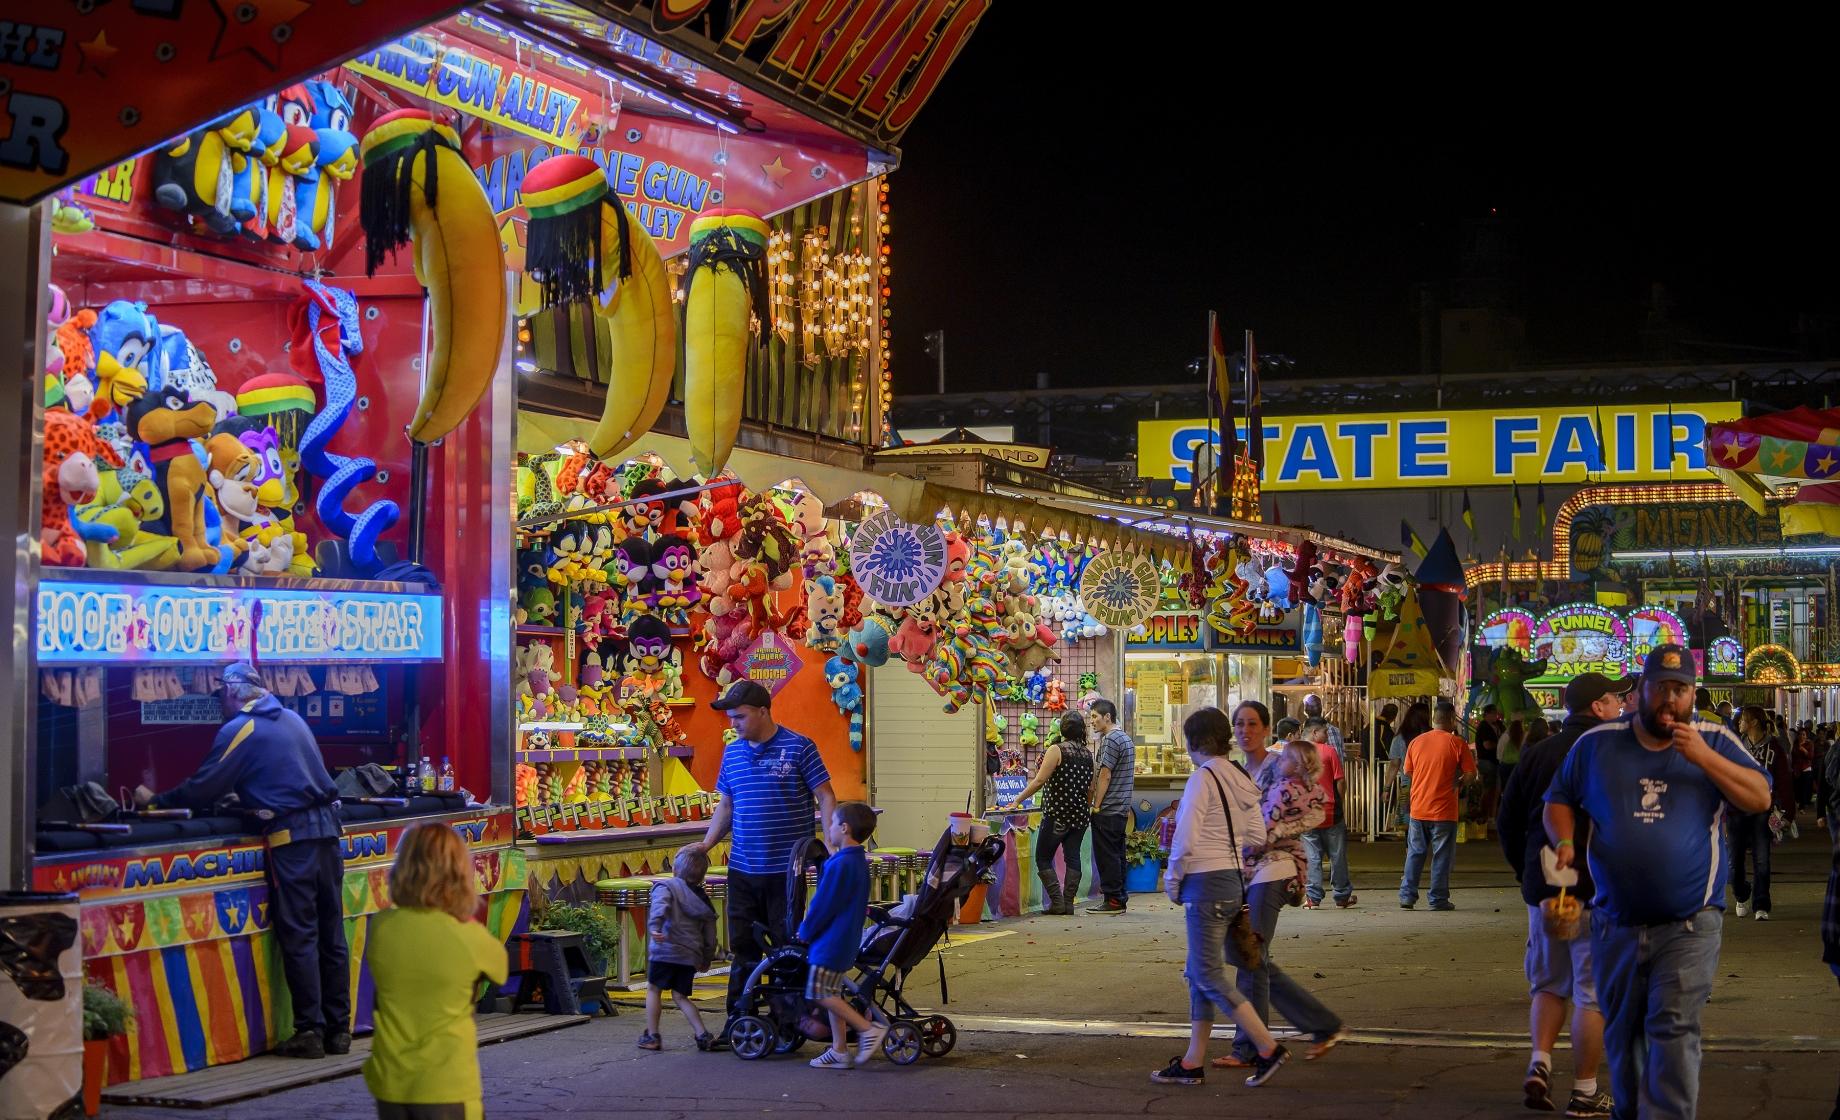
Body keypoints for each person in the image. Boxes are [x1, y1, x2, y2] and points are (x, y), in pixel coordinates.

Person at [1545, 644, 1771, 1120]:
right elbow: (1559, 798)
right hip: (1614, 923)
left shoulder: (1713, 738)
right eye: (1661, 688)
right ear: (1640, 691)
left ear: (1692, 693)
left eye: (1680, 689)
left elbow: (1759, 797)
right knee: (1624, 1037)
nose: (1670, 700)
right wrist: (1564, 840)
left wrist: (1704, 758)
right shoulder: (1598, 743)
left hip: (1690, 923)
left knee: (1672, 1029)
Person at [137, 661, 349, 1058]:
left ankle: (310, 1032)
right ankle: (340, 1030)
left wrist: (155, 802)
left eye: (220, 695)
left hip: (294, 840)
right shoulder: (293, 720)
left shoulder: (242, 729)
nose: (219, 703)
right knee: (330, 934)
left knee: (301, 934)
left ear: (233, 692)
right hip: (328, 835)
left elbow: (203, 787)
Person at [1498, 672, 1629, 1118]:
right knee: (1591, 993)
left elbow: (1508, 819)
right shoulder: (1614, 753)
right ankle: (1585, 1090)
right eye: (1615, 700)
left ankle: (1540, 1062)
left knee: (1549, 985)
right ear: (1597, 707)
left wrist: (1527, 874)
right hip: (1597, 890)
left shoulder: (1538, 753)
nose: (1621, 706)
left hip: (1547, 891)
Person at [692, 680, 837, 1049]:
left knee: (787, 949)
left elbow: (824, 795)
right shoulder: (733, 754)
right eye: (730, 718)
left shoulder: (799, 747)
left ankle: (788, 1021)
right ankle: (738, 1021)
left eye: (739, 717)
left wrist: (834, 846)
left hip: (784, 874)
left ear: (762, 711)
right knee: (744, 948)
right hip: (742, 870)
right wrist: (707, 845)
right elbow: (725, 806)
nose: (733, 725)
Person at [1151, 706, 1290, 1088]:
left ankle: (1267, 1047)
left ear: (1192, 741)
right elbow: (1257, 838)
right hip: (1232, 884)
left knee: (1208, 975)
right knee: (1199, 973)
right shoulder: (1241, 778)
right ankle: (1194, 1060)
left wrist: (1172, 879)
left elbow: (1185, 837)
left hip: (1204, 884)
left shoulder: (1201, 779)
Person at [1222, 707, 1346, 1067]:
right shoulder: (1238, 772)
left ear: (1265, 729)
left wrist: (1273, 835)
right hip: (1244, 872)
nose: (1245, 730)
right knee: (1248, 957)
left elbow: (1316, 809)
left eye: (1252, 724)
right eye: (1239, 724)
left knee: (1251, 957)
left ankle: (1252, 1047)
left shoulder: (1282, 765)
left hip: (1273, 870)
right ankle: (1314, 1027)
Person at [362, 822, 509, 1120]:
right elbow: (501, 971)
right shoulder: (468, 937)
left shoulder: (381, 926)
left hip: (390, 1081)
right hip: (446, 1084)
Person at [797, 802, 882, 1069]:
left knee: (820, 993)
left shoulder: (839, 864)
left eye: (832, 823)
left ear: (844, 828)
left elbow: (823, 905)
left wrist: (805, 930)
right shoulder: (857, 860)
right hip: (845, 939)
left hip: (829, 942)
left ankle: (867, 1029)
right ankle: (839, 1049)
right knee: (833, 992)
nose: (829, 828)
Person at [1000, 711, 1095, 914]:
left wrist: (1017, 799)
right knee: (1073, 857)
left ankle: (1057, 902)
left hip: (1057, 814)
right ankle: (1068, 903)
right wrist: (1084, 808)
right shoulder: (1088, 755)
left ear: (1062, 729)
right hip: (1079, 816)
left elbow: (1040, 780)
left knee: (1043, 857)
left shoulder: (1056, 750)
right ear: (1082, 730)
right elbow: (1090, 789)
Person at [638, 845, 718, 1052]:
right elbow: (710, 932)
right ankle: (702, 1034)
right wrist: (707, 957)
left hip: (665, 949)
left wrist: (655, 926)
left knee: (654, 990)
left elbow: (660, 906)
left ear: (674, 870)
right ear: (702, 877)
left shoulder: (667, 887)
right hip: (689, 955)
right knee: (680, 996)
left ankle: (652, 1035)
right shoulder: (703, 900)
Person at [1399, 700, 1477, 912]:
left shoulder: (1416, 742)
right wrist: (1459, 782)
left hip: (1419, 809)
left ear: (1434, 718)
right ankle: (1438, 899)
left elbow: (1408, 772)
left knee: (1415, 853)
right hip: (1444, 811)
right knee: (1442, 856)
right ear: (1451, 719)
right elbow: (1471, 774)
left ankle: (1407, 896)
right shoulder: (1457, 743)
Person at [1732, 705, 1792, 921]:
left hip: (1762, 811)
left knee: (1761, 859)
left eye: (1742, 720)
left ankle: (1761, 903)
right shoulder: (1736, 746)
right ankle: (1741, 893)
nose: (1739, 724)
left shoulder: (1774, 748)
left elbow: (1785, 781)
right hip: (1736, 810)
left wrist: (1787, 812)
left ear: (1753, 723)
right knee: (1735, 860)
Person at [1085, 699, 1136, 915]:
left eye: (1095, 716)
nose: (1092, 722)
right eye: (1090, 717)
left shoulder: (1111, 739)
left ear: (1108, 717)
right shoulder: (1125, 738)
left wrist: (1096, 806)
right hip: (1121, 808)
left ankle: (1112, 900)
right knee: (1117, 854)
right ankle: (1119, 897)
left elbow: (1105, 774)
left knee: (1107, 856)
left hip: (1109, 808)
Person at [1300, 719, 1356, 909]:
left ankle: (1313, 898)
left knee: (1312, 856)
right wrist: (1339, 801)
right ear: (1315, 732)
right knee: (1337, 855)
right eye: (1324, 731)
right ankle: (1341, 896)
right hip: (1330, 811)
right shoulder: (1328, 751)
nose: (1327, 735)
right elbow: (1340, 781)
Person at [1388, 702, 1432, 830]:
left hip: (1407, 783)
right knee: (1428, 820)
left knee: (1408, 823)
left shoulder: (1399, 738)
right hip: (1429, 782)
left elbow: (1394, 765)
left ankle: (1410, 848)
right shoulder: (1432, 736)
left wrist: (1386, 788)